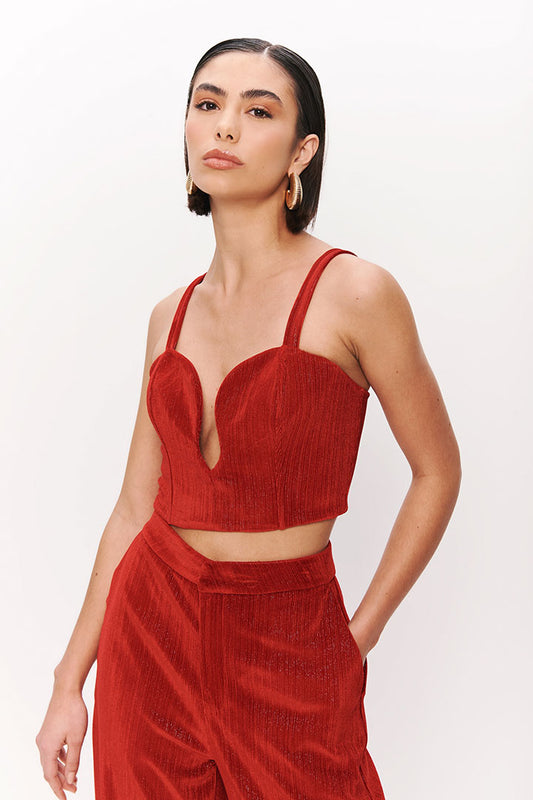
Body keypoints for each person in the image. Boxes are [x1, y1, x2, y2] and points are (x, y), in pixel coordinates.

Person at [35, 37, 462, 800]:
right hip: (151, 632)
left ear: (302, 152)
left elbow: (437, 472)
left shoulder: (354, 293)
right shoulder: (169, 315)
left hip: (289, 637)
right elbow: (134, 508)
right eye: (208, 104)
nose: (225, 125)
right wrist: (69, 682)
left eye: (257, 111)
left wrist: (357, 638)